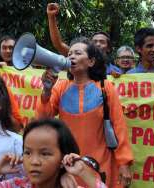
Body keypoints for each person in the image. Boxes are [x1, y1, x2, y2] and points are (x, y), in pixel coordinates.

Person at [36, 38, 133, 188]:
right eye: (69, 54)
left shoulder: (105, 87)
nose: (71, 57)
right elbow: (42, 121)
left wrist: (124, 163)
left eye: (77, 53)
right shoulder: (60, 87)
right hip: (68, 165)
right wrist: (47, 90)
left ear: (91, 62)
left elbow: (119, 127)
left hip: (101, 164)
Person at [0, 118, 107, 188]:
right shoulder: (16, 185)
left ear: (63, 159)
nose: (34, 161)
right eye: (27, 153)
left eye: (45, 154)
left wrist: (83, 171)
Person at [46, 3, 120, 75]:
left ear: (109, 48)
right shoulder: (80, 56)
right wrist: (51, 17)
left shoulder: (116, 71)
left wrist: (116, 78)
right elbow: (59, 44)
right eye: (94, 41)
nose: (97, 44)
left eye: (102, 42)